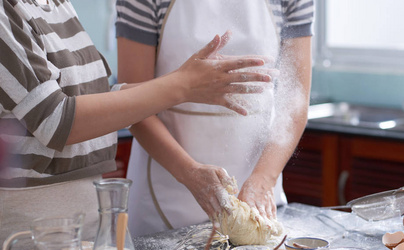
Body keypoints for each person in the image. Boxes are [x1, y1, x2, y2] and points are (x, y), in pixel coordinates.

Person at [0, 0, 273, 250]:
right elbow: (55, 119)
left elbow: (101, 97)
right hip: (34, 235)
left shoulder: (57, 4)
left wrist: (192, 87)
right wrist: (181, 85)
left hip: (90, 226)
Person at [115, 0, 314, 237]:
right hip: (164, 202)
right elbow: (132, 104)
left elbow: (294, 102)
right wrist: (189, 173)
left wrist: (263, 179)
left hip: (257, 200)